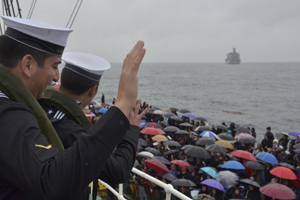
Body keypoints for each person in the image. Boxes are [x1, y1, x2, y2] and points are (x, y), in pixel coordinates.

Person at [0, 16, 146, 199]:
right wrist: (123, 105)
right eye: (54, 66)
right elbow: (53, 180)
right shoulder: (9, 114)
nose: (56, 77)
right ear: (28, 64)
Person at [39, 52, 148, 199]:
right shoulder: (71, 130)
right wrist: (132, 128)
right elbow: (118, 170)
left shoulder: (39, 107)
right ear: (92, 91)